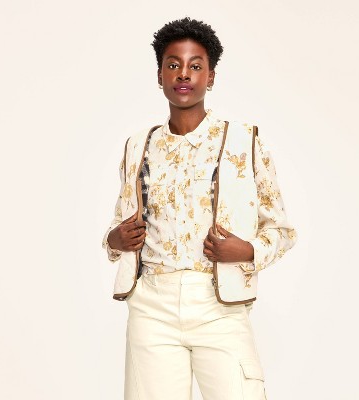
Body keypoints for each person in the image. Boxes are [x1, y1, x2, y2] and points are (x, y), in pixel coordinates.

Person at [102, 17, 297, 400]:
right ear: (160, 75)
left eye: (195, 65)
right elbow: (118, 226)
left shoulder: (244, 141)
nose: (183, 74)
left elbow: (282, 230)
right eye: (173, 64)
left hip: (218, 306)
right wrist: (115, 239)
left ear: (211, 77)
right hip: (151, 306)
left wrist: (247, 250)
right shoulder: (138, 145)